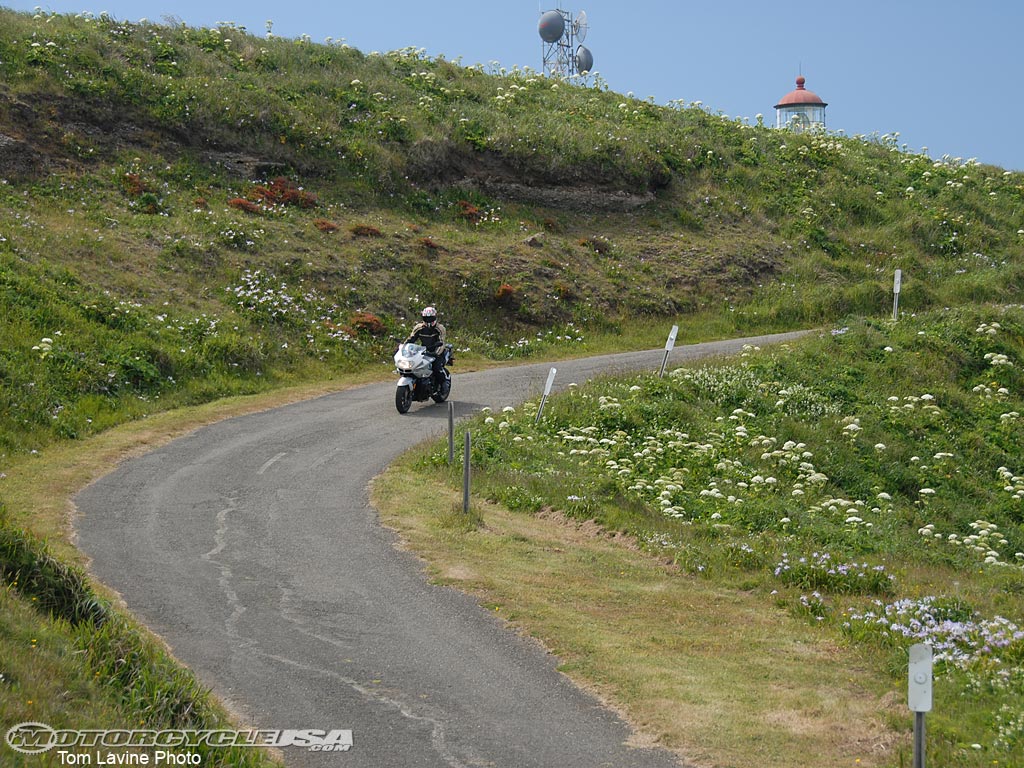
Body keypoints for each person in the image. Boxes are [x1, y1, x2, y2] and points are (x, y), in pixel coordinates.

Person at [404, 306, 447, 385]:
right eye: (426, 318)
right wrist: (402, 348)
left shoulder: (440, 328)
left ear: (434, 317)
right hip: (423, 351)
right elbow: (411, 339)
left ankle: (443, 384)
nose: (428, 320)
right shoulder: (419, 327)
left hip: (437, 352)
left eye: (430, 318)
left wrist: (436, 353)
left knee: (436, 368)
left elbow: (442, 342)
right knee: (414, 366)